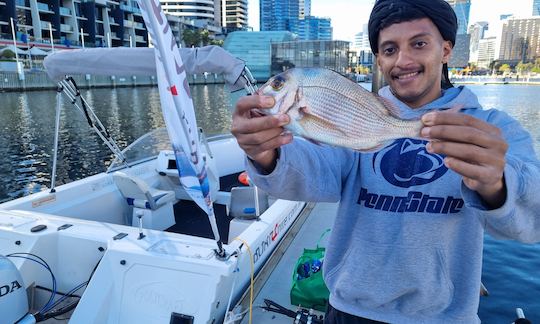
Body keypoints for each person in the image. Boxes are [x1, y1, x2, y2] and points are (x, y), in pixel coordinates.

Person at [231, 0, 540, 322]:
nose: (403, 60)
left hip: (443, 316)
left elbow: (534, 220)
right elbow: (313, 170)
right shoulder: (354, 119)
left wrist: (497, 182)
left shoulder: (493, 127)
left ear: (446, 50)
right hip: (349, 309)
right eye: (389, 49)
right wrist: (265, 152)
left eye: (419, 44)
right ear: (379, 59)